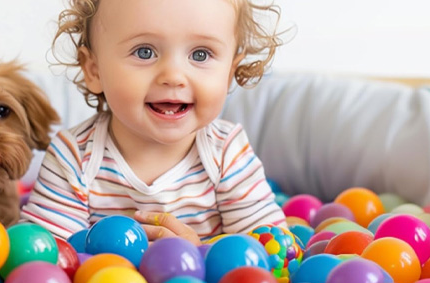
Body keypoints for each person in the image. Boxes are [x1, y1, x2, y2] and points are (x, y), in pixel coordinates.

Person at [21, 0, 286, 246]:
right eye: (145, 52)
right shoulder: (73, 157)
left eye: (201, 55)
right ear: (94, 70)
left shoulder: (228, 154)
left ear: (228, 74)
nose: (173, 76)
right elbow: (45, 257)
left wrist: (198, 255)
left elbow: (275, 256)